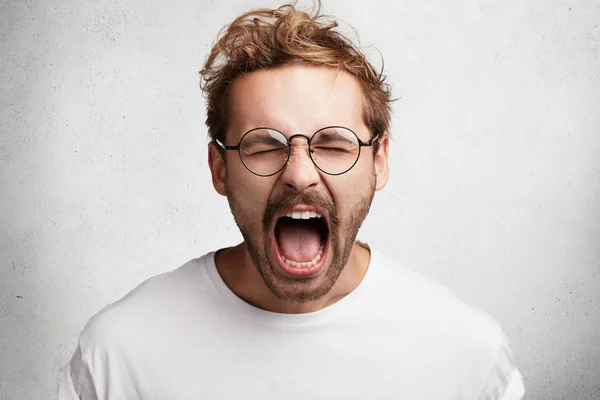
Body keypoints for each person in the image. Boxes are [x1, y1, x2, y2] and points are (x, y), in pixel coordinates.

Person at [58, 2, 525, 399]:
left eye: (333, 144)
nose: (300, 175)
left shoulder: (467, 355)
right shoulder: (119, 353)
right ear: (219, 168)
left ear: (379, 161)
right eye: (264, 145)